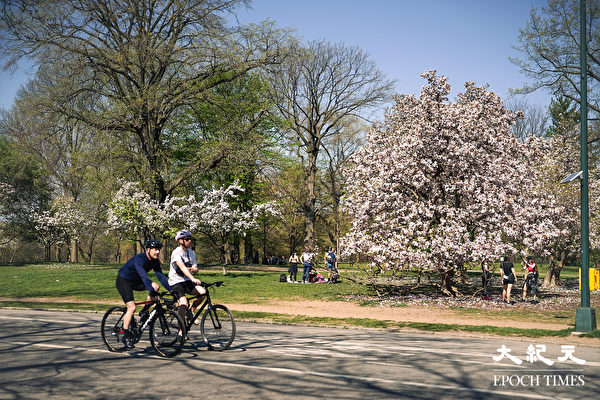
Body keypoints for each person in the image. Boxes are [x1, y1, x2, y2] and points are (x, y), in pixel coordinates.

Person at [115, 239, 172, 348]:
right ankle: (125, 334)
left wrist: (171, 290)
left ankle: (145, 311)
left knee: (155, 286)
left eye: (159, 250)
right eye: (155, 249)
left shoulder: (155, 261)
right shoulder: (140, 259)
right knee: (131, 308)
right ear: (148, 249)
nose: (158, 252)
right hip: (124, 281)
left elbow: (160, 276)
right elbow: (144, 277)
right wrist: (152, 292)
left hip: (136, 280)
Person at [168, 230, 206, 326]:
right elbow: (182, 267)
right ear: (181, 241)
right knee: (184, 304)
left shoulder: (191, 253)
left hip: (187, 281)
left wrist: (195, 269)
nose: (190, 241)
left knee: (203, 293)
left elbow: (196, 268)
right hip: (176, 282)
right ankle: (181, 331)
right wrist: (192, 277)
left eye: (190, 239)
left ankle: (191, 311)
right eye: (187, 239)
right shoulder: (176, 252)